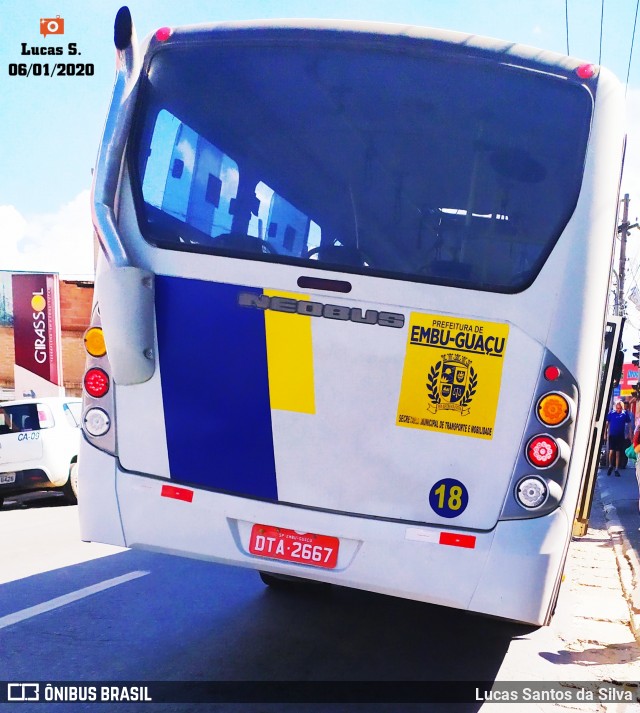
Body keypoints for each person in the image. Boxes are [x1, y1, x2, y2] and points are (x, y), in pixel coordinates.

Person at [605, 401, 632, 476]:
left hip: (620, 436)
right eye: (617, 408)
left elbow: (629, 424)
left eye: (619, 408)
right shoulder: (611, 413)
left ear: (622, 408)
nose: (618, 410)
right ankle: (611, 465)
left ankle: (616, 469)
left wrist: (630, 434)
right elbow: (607, 423)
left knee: (618, 453)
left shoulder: (624, 414)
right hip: (612, 436)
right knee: (611, 452)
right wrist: (605, 433)